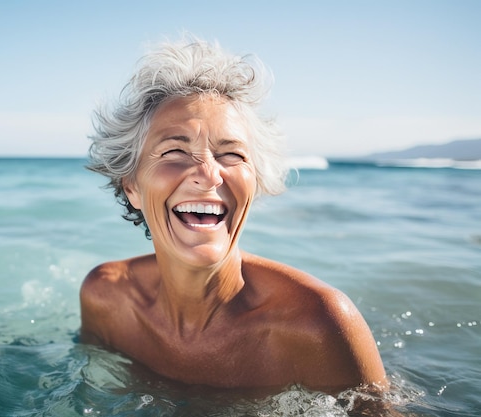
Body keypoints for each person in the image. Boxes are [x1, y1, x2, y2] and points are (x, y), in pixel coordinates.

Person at [80, 36, 387, 396]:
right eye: (175, 150)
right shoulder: (106, 299)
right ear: (131, 185)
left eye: (232, 155)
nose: (209, 174)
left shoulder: (318, 323)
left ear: (254, 183)